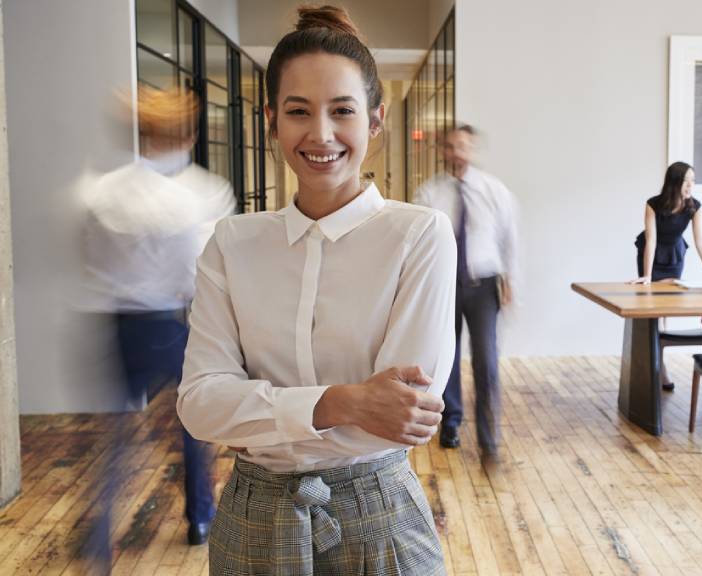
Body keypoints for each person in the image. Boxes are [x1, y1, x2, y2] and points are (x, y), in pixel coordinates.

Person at [177, 6, 455, 574]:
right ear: (271, 120)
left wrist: (261, 409)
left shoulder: (417, 234)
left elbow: (407, 411)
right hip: (252, 520)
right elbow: (201, 405)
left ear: (374, 122)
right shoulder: (232, 243)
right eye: (298, 111)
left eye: (343, 111)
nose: (320, 134)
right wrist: (344, 402)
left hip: (379, 516)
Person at [77, 86, 233, 555]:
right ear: (187, 135)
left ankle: (101, 531)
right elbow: (203, 271)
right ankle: (200, 519)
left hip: (119, 324)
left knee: (117, 435)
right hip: (173, 322)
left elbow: (91, 261)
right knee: (192, 428)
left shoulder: (101, 192)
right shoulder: (202, 195)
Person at [414, 125, 518, 461]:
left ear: (471, 149)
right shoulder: (429, 193)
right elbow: (419, 242)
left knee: (486, 360)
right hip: (445, 285)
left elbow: (509, 237)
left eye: (463, 146)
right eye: (450, 146)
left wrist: (510, 280)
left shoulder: (493, 190)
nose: (457, 152)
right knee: (448, 356)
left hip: (484, 284)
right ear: (442, 151)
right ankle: (452, 423)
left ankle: (489, 436)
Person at [632, 161, 702, 284]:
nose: (690, 185)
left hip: (674, 255)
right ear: (673, 182)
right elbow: (651, 240)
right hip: (651, 256)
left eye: (693, 180)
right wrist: (648, 275)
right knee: (650, 293)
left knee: (673, 295)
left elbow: (700, 241)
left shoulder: (695, 207)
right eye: (685, 180)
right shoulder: (653, 204)